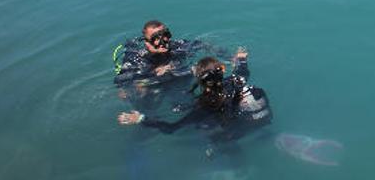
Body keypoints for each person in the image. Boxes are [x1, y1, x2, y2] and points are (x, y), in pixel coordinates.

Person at [117, 52, 272, 139]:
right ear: (222, 70)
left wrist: (140, 119)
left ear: (199, 79)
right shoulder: (237, 80)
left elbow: (171, 128)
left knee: (203, 127)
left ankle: (222, 151)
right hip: (264, 122)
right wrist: (242, 59)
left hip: (240, 132)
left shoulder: (205, 106)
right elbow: (243, 70)